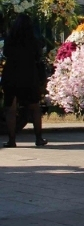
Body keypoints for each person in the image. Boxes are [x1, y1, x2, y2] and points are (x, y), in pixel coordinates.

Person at [2, 14, 47, 147]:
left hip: (11, 74)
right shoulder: (33, 40)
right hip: (29, 75)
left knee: (10, 108)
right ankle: (38, 138)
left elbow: (6, 53)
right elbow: (38, 56)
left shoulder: (10, 39)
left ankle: (11, 140)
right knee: (34, 107)